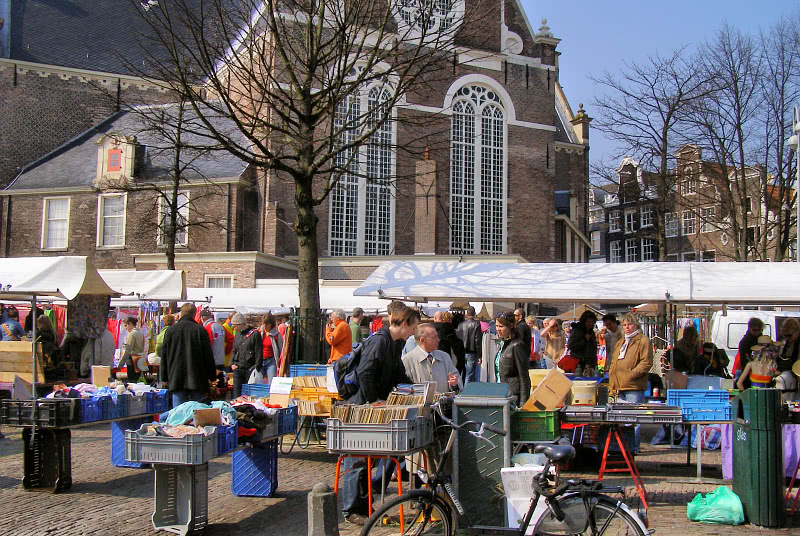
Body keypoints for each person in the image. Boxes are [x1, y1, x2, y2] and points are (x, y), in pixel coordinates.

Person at [341, 304, 419, 525]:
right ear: (404, 324)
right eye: (413, 326)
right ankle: (352, 509)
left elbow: (399, 376)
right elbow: (365, 372)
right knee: (357, 461)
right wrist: (374, 401)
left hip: (375, 410)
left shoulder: (396, 344)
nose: (414, 332)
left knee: (368, 461)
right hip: (361, 409)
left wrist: (415, 391)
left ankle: (365, 507)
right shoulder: (380, 341)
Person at [161, 303, 217, 406]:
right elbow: (208, 355)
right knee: (198, 413)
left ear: (181, 313)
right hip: (197, 378)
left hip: (176, 377)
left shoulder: (171, 331)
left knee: (177, 415)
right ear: (194, 314)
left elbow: (164, 355)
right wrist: (212, 376)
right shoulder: (200, 330)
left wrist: (164, 377)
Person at [403, 323, 462, 393]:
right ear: (422, 340)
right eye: (434, 338)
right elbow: (404, 390)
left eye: (437, 336)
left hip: (443, 403)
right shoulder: (407, 361)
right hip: (419, 403)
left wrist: (454, 384)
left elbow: (457, 380)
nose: (438, 340)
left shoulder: (444, 357)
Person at [608, 314, 653, 403]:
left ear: (636, 325)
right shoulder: (620, 342)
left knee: (633, 413)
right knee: (621, 415)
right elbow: (614, 362)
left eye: (630, 324)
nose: (627, 327)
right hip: (618, 387)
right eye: (624, 325)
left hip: (634, 387)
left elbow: (646, 362)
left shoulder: (643, 341)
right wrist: (612, 380)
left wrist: (631, 375)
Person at [495, 312, 531, 407]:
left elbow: (524, 377)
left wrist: (523, 403)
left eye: (501, 326)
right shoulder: (503, 344)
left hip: (514, 396)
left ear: (510, 326)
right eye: (497, 326)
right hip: (502, 393)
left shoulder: (517, 345)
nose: (498, 329)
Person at [229, 312, 263, 398]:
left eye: (235, 325)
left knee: (249, 394)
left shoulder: (255, 334)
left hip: (250, 368)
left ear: (240, 324)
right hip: (238, 368)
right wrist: (232, 363)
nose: (234, 328)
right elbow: (234, 350)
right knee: (236, 393)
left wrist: (257, 367)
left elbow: (258, 351)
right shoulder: (237, 335)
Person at [433, 311, 465, 377]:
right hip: (450, 367)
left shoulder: (427, 331)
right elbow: (458, 356)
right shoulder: (450, 333)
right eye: (450, 319)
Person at [456, 306, 482, 383]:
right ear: (474, 314)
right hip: (471, 351)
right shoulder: (476, 324)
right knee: (469, 374)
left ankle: (461, 389)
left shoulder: (461, 325)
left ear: (466, 314)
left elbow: (457, 338)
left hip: (461, 351)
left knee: (461, 373)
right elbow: (478, 340)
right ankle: (466, 392)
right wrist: (480, 355)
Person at [568, 311, 598, 376]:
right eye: (589, 322)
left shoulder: (591, 332)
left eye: (592, 322)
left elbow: (593, 348)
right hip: (578, 363)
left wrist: (594, 363)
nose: (590, 324)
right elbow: (571, 346)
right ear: (584, 321)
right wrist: (584, 340)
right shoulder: (577, 330)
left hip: (589, 363)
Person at [121, 317, 145, 383]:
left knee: (132, 383)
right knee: (139, 382)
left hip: (132, 359)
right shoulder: (140, 333)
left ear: (130, 324)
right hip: (140, 358)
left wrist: (121, 364)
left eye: (126, 325)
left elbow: (128, 351)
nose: (125, 328)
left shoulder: (131, 334)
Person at [258, 313, 280, 385]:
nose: (265, 326)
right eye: (263, 324)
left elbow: (280, 349)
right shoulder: (259, 333)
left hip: (271, 360)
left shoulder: (276, 335)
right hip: (260, 360)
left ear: (271, 324)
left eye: (267, 324)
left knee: (271, 382)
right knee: (258, 381)